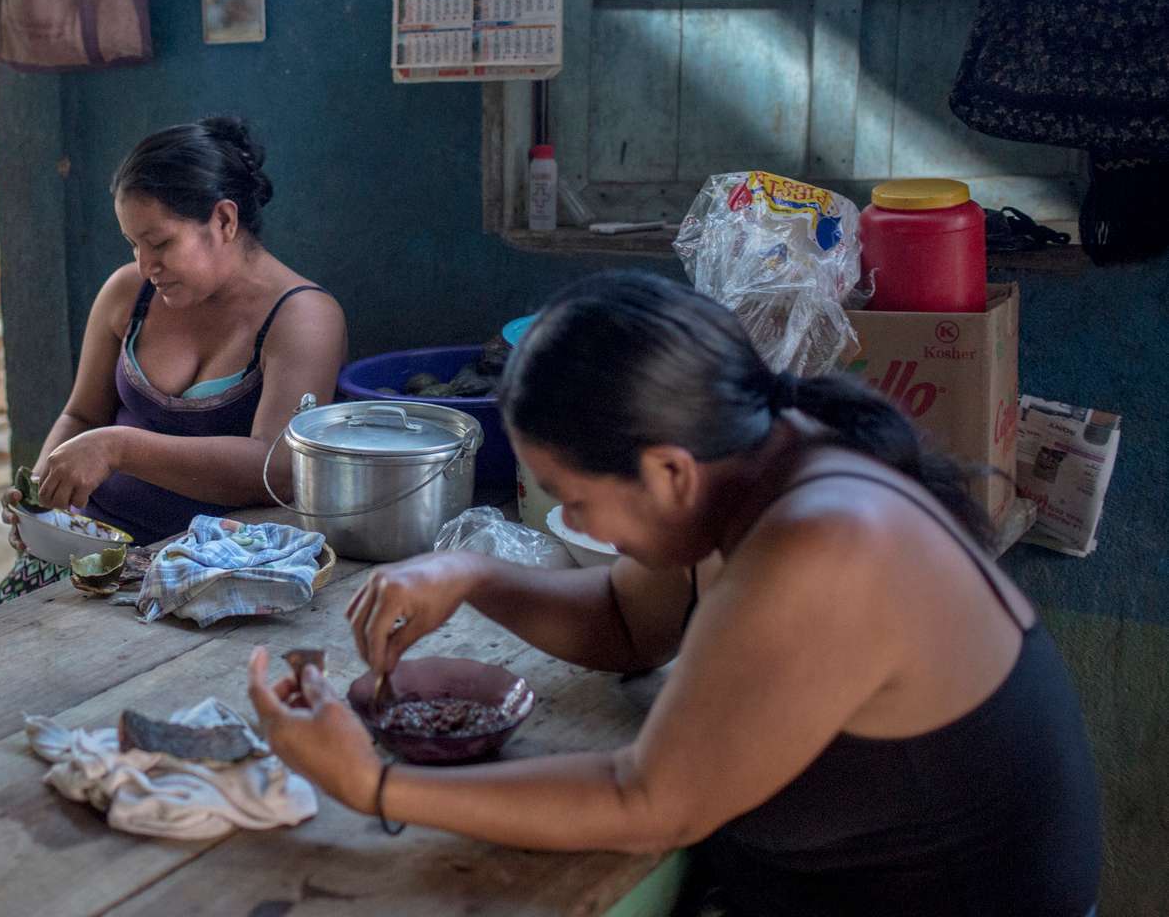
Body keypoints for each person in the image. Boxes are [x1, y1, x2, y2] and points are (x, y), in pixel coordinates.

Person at [248, 272, 1101, 917]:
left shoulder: (824, 542)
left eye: (573, 498)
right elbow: (627, 622)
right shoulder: (739, 469)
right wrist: (467, 575)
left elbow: (646, 802)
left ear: (665, 471)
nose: (573, 521)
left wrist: (372, 788)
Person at [0, 117, 347, 607]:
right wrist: (44, 499)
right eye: (133, 245)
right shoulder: (127, 295)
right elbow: (83, 416)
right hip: (84, 557)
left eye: (160, 244)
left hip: (200, 576)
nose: (143, 265)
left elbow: (278, 468)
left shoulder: (302, 318)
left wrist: (118, 447)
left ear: (223, 220)